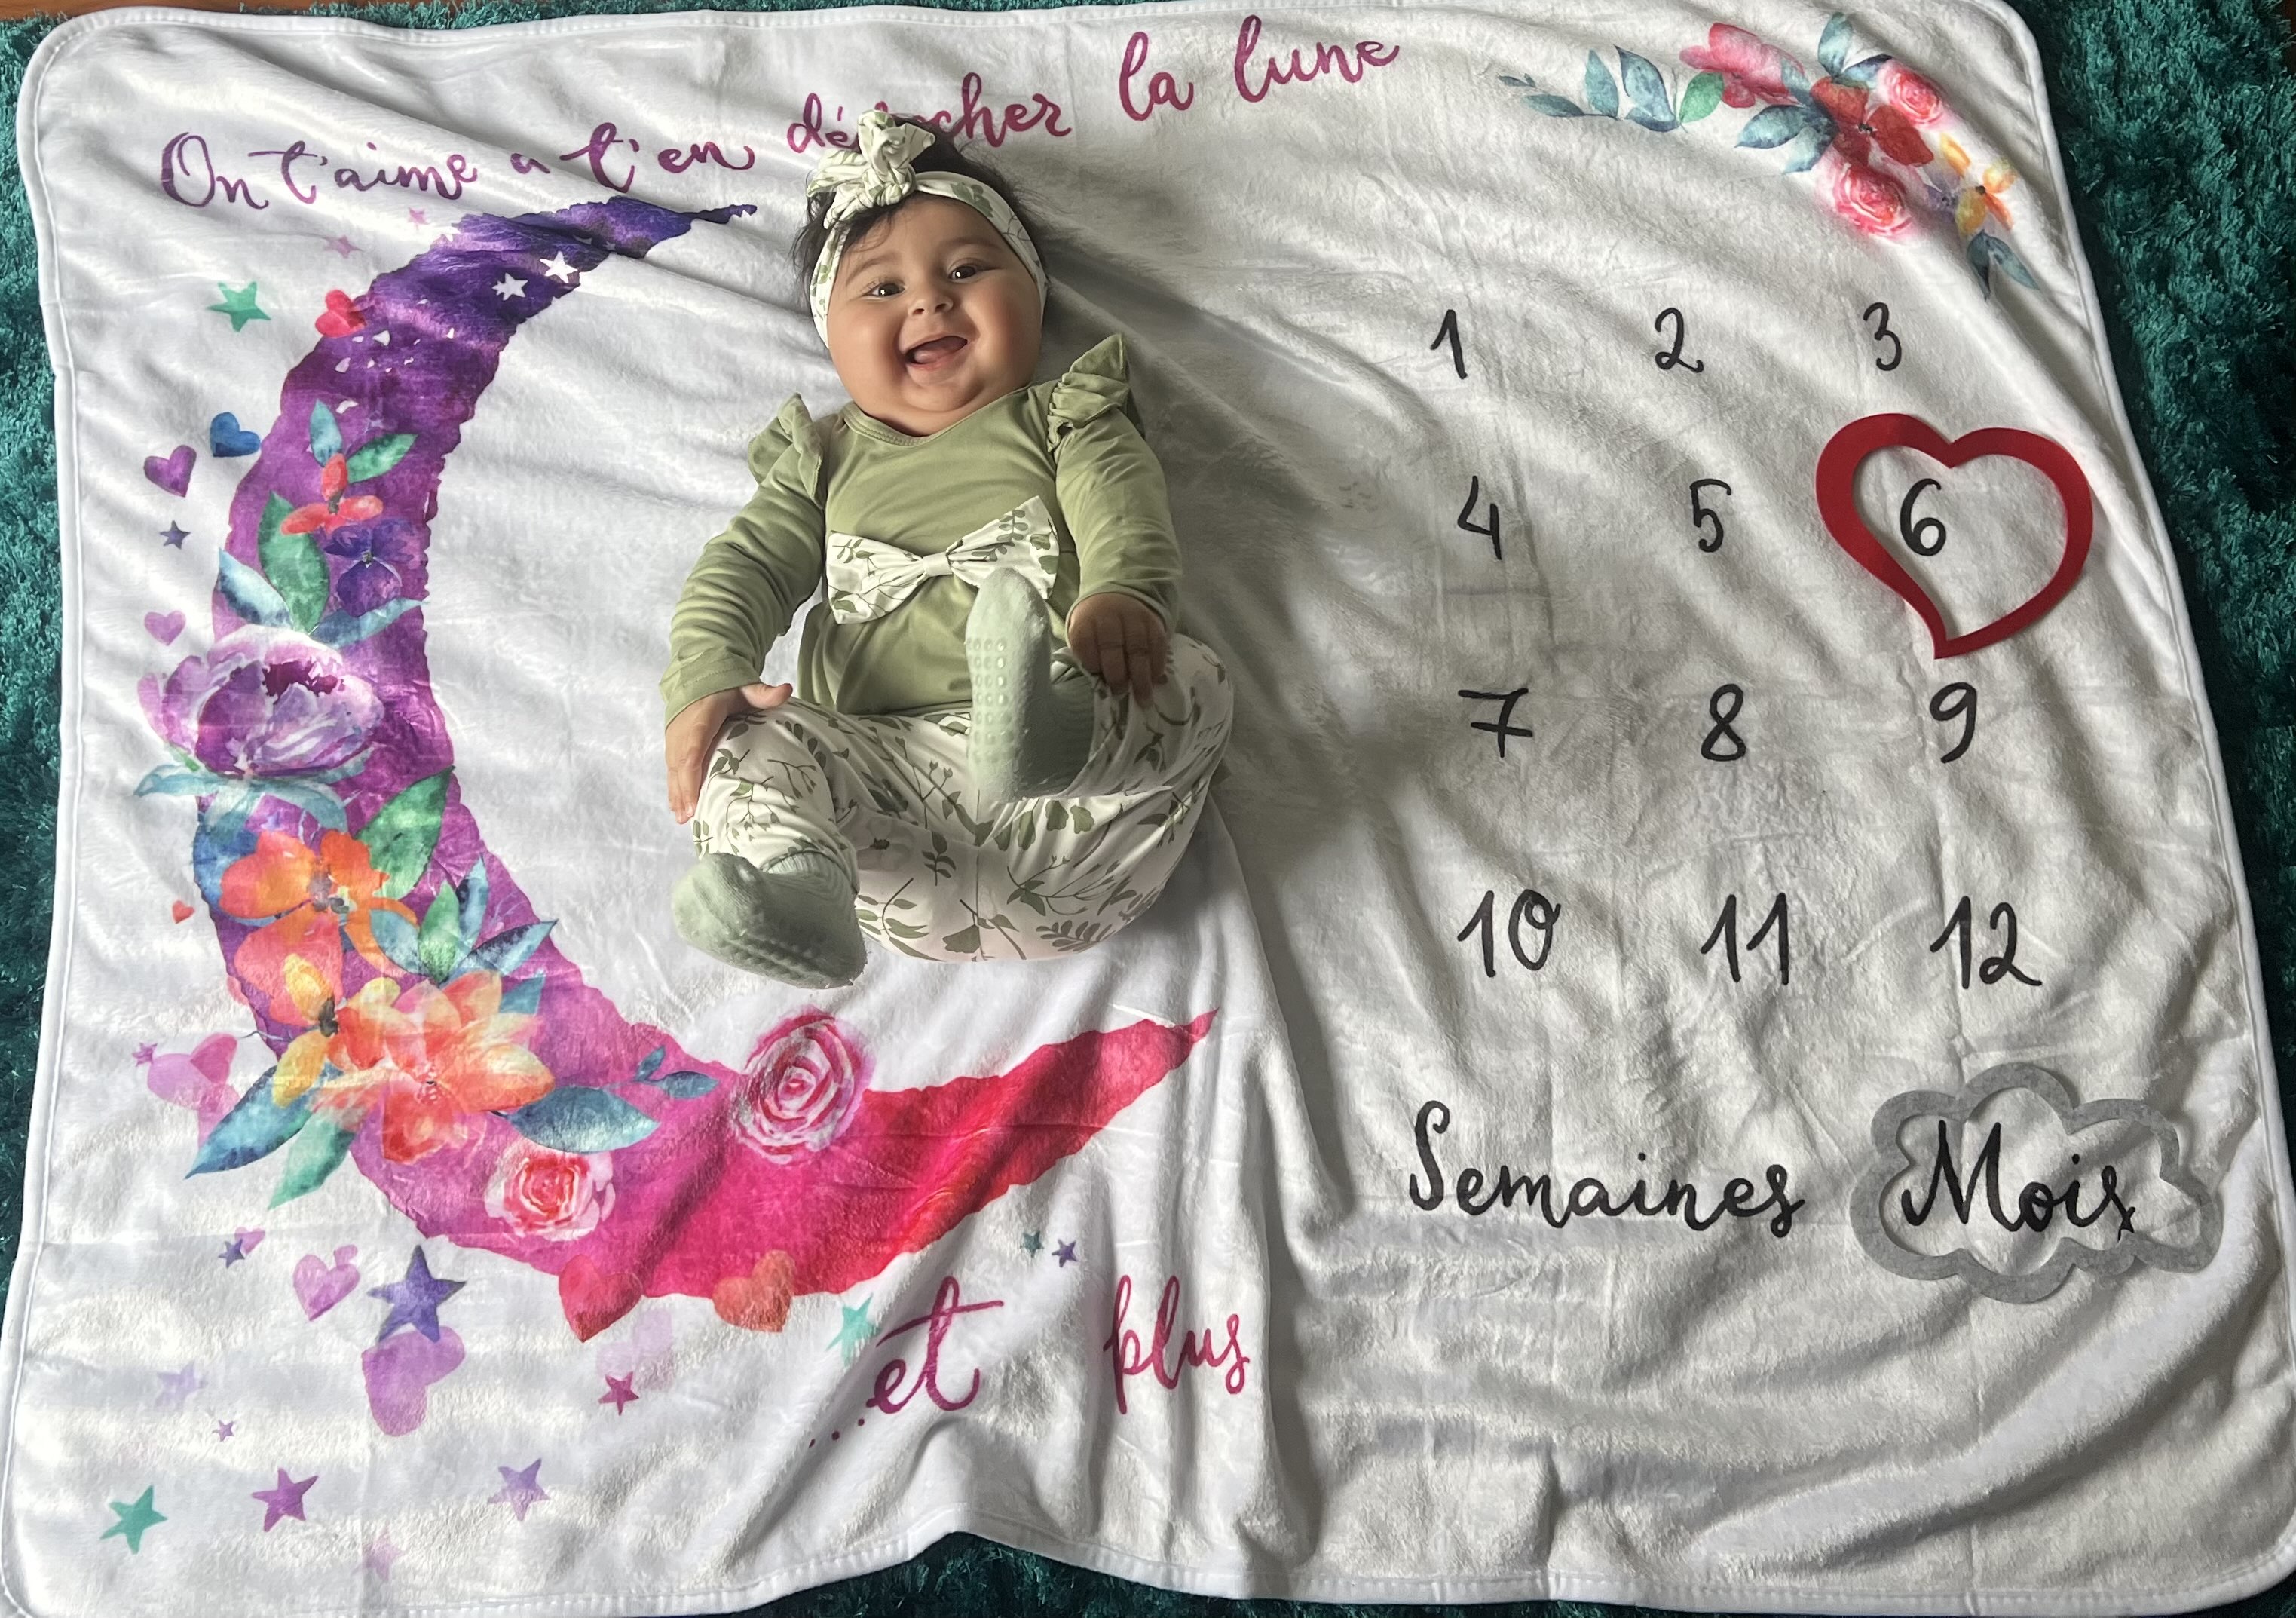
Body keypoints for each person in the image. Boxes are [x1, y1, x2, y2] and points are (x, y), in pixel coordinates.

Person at [658, 109, 1232, 988]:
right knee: (747, 734)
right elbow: (744, 567)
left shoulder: (1063, 416)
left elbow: (1120, 506)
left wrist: (1121, 595)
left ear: (1034, 296)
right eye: (881, 288)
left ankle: (1050, 734)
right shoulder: (822, 460)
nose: (929, 300)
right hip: (893, 832)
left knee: (1190, 678)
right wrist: (704, 676)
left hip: (1088, 821)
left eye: (966, 270)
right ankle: (798, 890)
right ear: (829, 337)